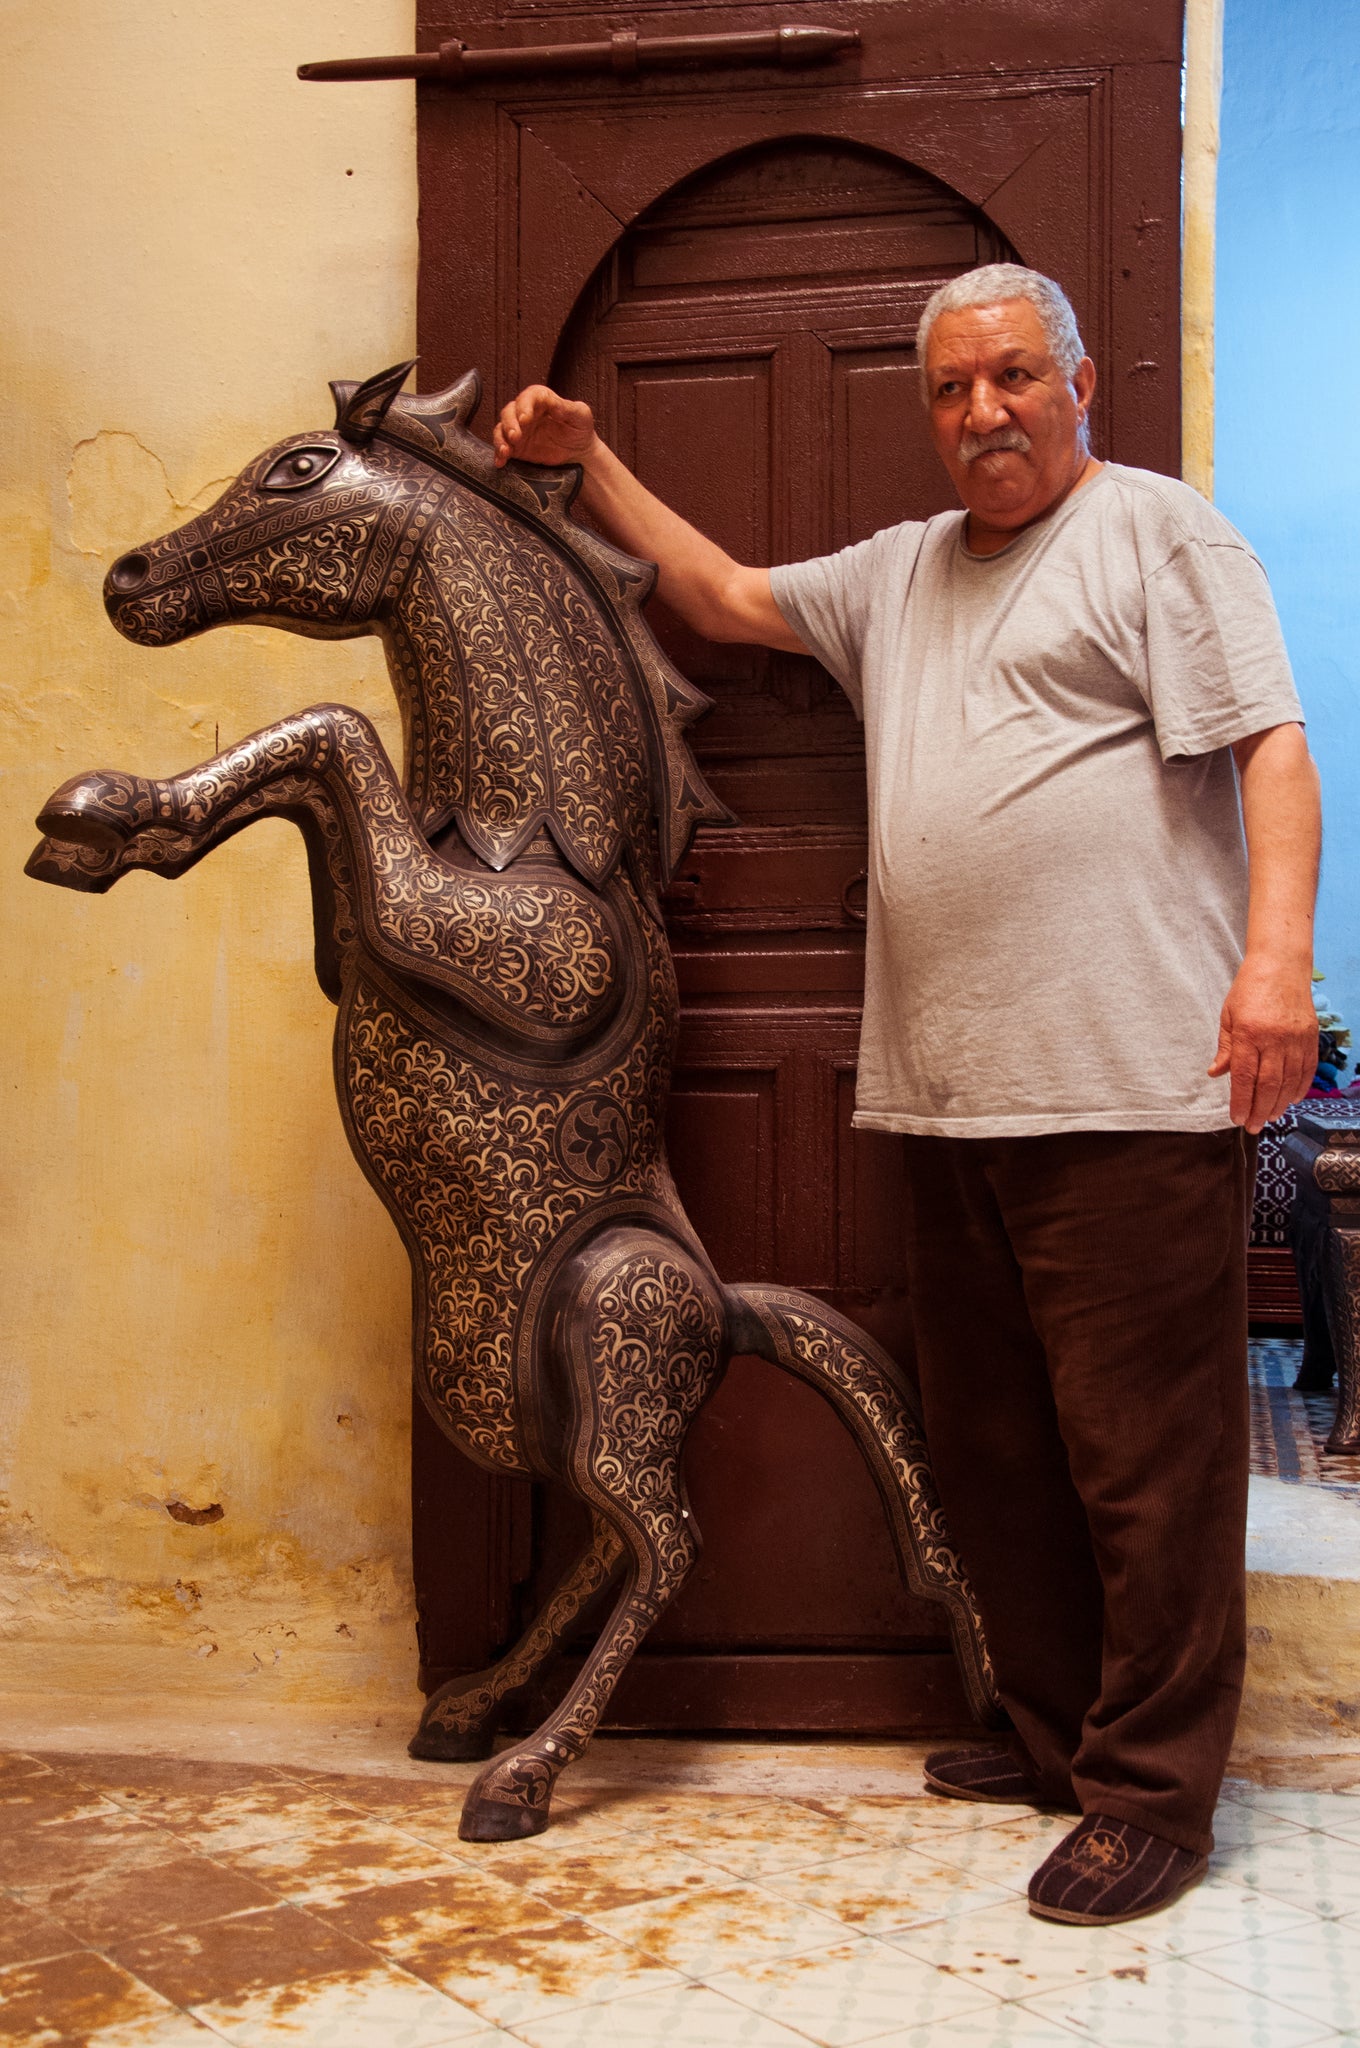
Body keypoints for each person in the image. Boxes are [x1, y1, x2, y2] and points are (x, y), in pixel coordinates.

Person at [492, 262, 1320, 1927]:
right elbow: (717, 593)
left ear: (1079, 383)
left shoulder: (1162, 534)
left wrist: (1276, 969)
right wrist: (584, 464)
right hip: (950, 1094)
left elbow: (1275, 753)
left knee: (1148, 1464)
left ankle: (1154, 1794)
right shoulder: (901, 574)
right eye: (950, 390)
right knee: (1002, 1449)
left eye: (1011, 376)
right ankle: (1054, 1732)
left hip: (1131, 1087)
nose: (982, 413)